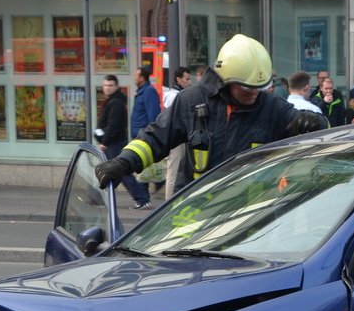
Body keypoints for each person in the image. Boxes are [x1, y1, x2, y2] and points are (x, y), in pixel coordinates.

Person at [94, 34, 325, 192]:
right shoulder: (192, 101)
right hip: (193, 217)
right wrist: (123, 162)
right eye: (246, 87)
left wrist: (314, 122)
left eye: (259, 87)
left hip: (251, 222)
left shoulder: (272, 108)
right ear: (225, 81)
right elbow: (155, 138)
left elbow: (314, 130)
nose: (254, 93)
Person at [122, 65, 162, 209]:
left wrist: (149, 133)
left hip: (143, 135)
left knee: (141, 166)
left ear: (142, 77)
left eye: (136, 75)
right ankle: (152, 189)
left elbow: (153, 115)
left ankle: (144, 199)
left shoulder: (149, 92)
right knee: (143, 167)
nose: (134, 77)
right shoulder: (141, 92)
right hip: (139, 135)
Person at [162, 66, 192, 200]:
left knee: (176, 171)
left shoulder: (176, 94)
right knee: (173, 171)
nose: (189, 82)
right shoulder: (173, 96)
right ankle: (169, 203)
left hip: (179, 138)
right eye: (187, 79)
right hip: (176, 139)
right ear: (178, 79)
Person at [95, 74, 129, 183]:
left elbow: (113, 125)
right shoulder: (112, 101)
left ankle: (142, 199)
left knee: (121, 173)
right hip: (112, 143)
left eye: (110, 85)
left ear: (116, 87)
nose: (107, 88)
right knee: (112, 173)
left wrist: (104, 142)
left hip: (114, 144)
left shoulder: (116, 102)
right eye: (105, 85)